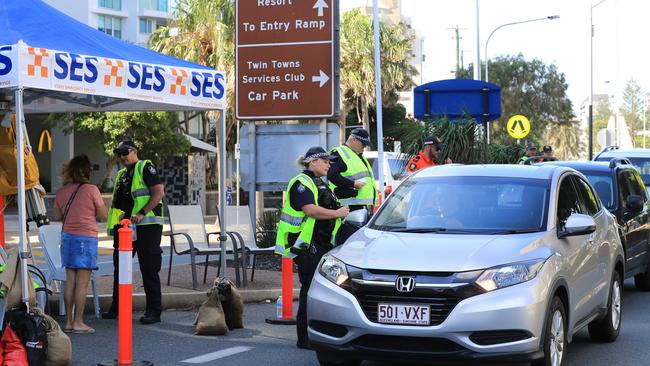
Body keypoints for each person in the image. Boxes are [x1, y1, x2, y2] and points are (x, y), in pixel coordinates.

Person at [275, 147, 349, 350]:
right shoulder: (302, 183)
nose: (329, 164)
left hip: (321, 245)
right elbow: (310, 210)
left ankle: (320, 334)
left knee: (321, 291)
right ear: (313, 162)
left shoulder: (320, 183)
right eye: (325, 161)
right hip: (307, 246)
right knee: (310, 290)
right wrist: (337, 214)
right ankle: (304, 338)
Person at [103, 140, 165, 325]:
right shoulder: (122, 174)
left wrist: (141, 213)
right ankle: (117, 307)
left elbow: (158, 192)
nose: (122, 157)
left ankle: (154, 311)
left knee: (149, 269)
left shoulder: (145, 167)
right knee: (120, 268)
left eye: (124, 152)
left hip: (147, 227)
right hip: (125, 229)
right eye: (118, 154)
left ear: (134, 151)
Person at [53, 155, 107, 334]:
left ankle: (68, 322)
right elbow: (103, 215)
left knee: (70, 281)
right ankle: (79, 322)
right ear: (87, 171)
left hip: (67, 237)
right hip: (86, 238)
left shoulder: (61, 192)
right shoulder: (92, 190)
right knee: (82, 282)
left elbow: (57, 216)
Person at [327, 128, 377, 212]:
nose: (364, 147)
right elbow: (331, 175)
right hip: (348, 206)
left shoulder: (358, 155)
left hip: (362, 205)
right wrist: (353, 184)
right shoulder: (338, 153)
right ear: (354, 139)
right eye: (363, 144)